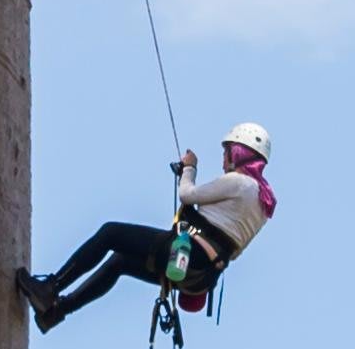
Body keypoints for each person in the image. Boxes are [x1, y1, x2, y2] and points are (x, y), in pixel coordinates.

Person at [25, 124, 274, 331]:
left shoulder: (240, 183)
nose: (223, 159)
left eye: (227, 152)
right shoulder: (263, 205)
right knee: (120, 262)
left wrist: (190, 167)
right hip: (199, 276)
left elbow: (187, 195)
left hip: (187, 254)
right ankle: (56, 313)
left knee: (111, 233)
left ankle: (51, 288)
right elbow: (232, 246)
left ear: (239, 153)